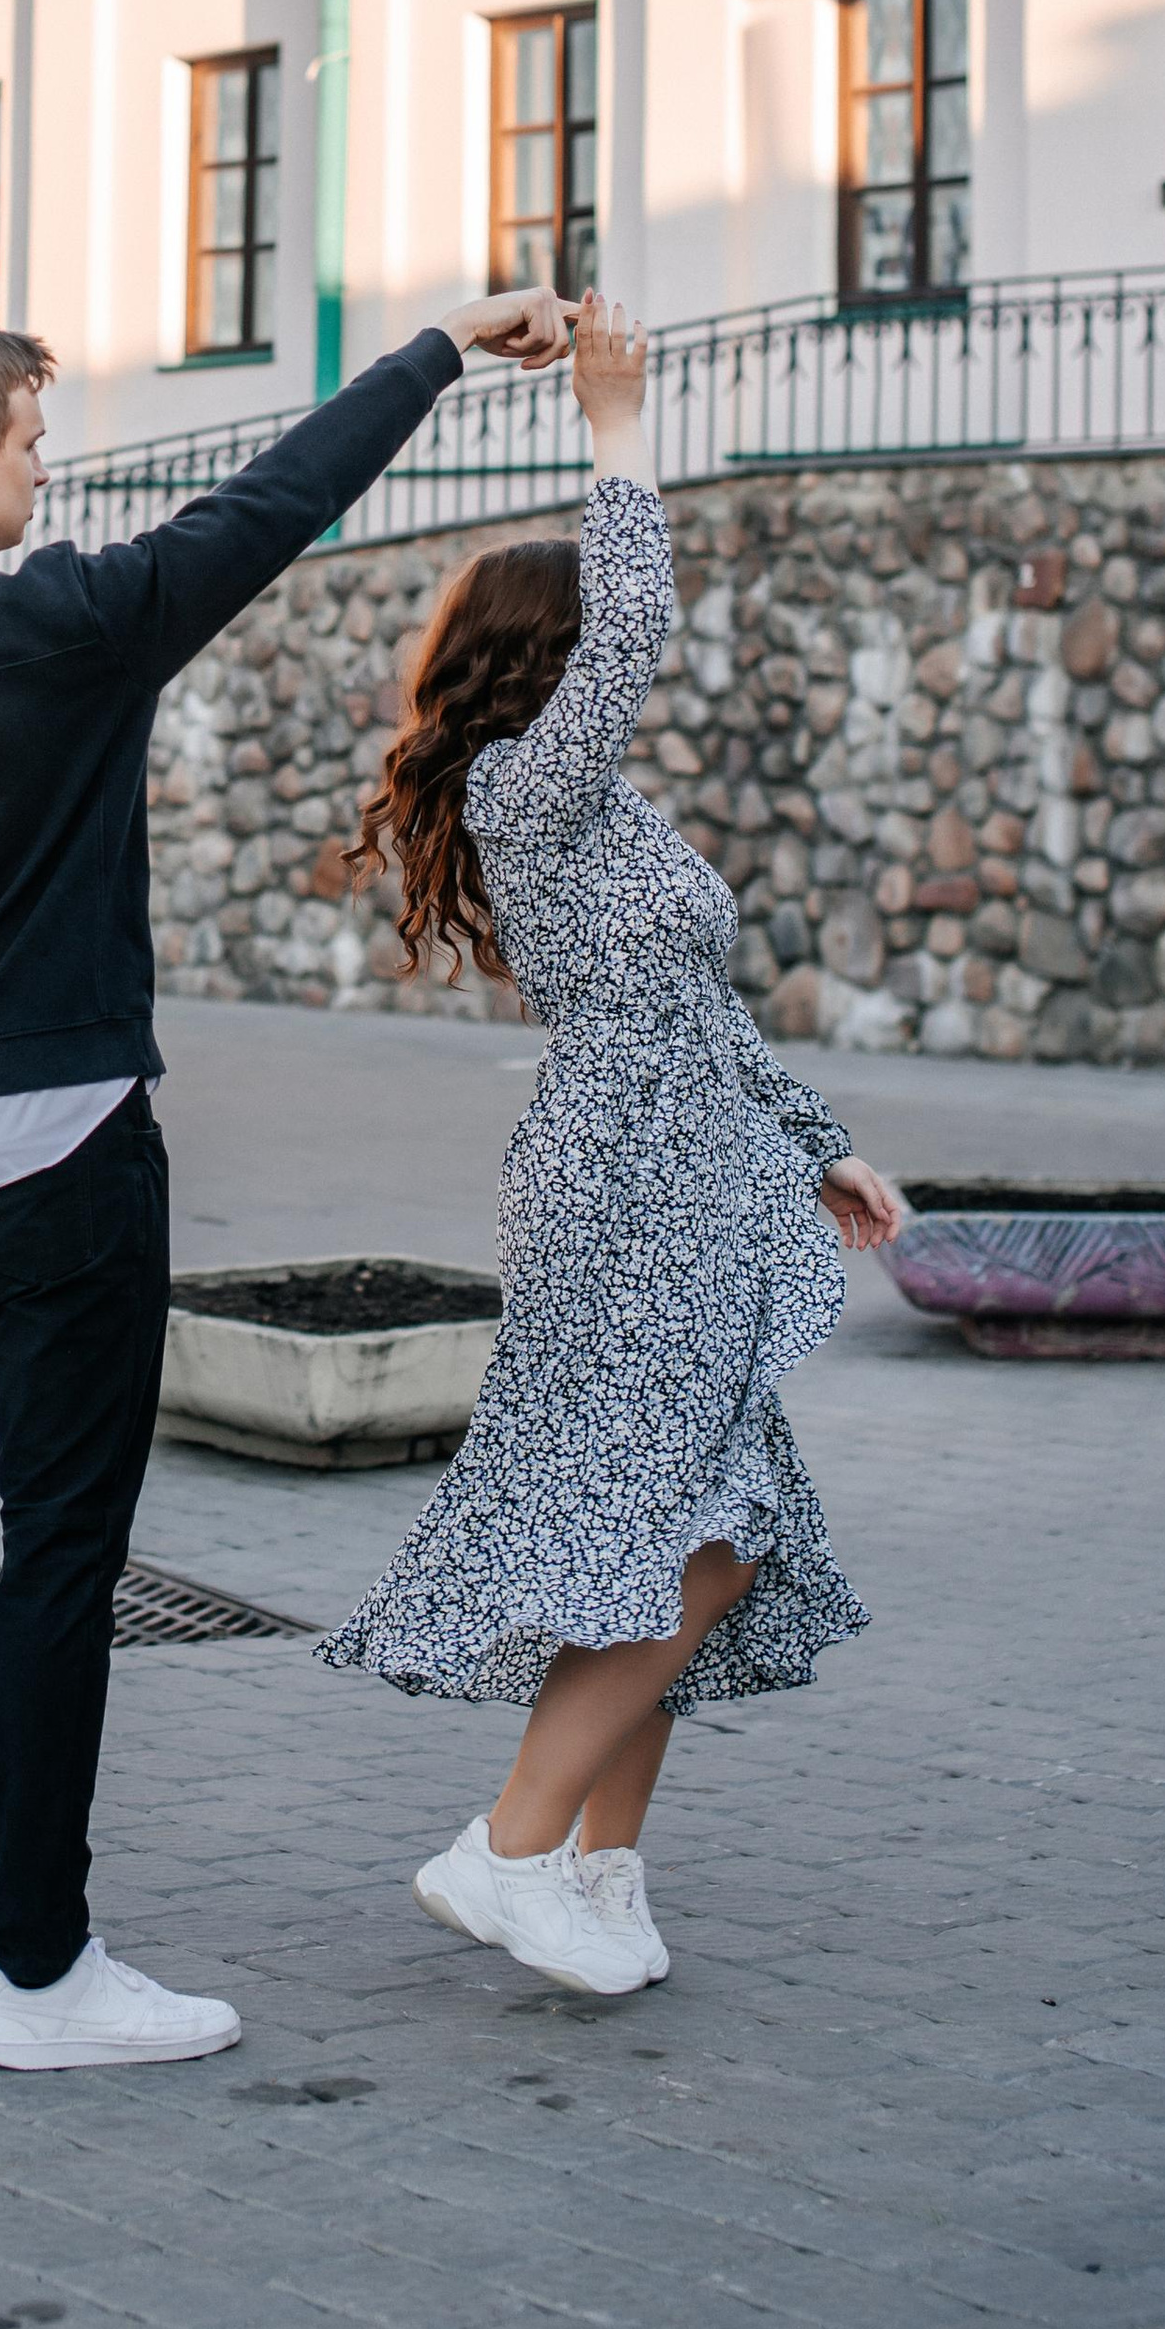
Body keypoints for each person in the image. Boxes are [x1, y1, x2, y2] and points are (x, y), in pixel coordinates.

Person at [0, 283, 573, 2068]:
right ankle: (38, 1977)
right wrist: (439, 347)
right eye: (32, 444)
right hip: (75, 1164)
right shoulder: (76, 621)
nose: (46, 473)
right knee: (58, 1561)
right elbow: (278, 499)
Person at [319, 290, 901, 1996]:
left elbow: (695, 1004)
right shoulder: (530, 789)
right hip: (628, 1187)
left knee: (671, 1539)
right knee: (695, 1533)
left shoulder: (595, 809)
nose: (610, 672)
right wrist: (617, 423)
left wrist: (817, 1142)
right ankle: (504, 1850)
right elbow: (638, 622)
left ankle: (597, 1872)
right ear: (548, 659)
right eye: (587, 648)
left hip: (687, 1169)